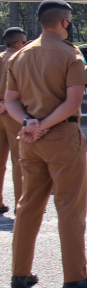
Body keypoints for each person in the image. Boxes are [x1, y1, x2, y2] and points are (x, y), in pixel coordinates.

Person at [5, 0, 87, 288]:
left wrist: (29, 123)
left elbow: (11, 101)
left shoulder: (19, 56)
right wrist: (45, 124)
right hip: (62, 136)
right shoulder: (70, 54)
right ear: (65, 22)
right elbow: (72, 102)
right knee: (69, 206)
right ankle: (74, 275)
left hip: (30, 140)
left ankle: (20, 272)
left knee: (28, 205)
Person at [0, 26, 27, 215]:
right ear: (18, 42)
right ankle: (21, 204)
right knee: (20, 160)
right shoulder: (21, 58)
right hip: (15, 112)